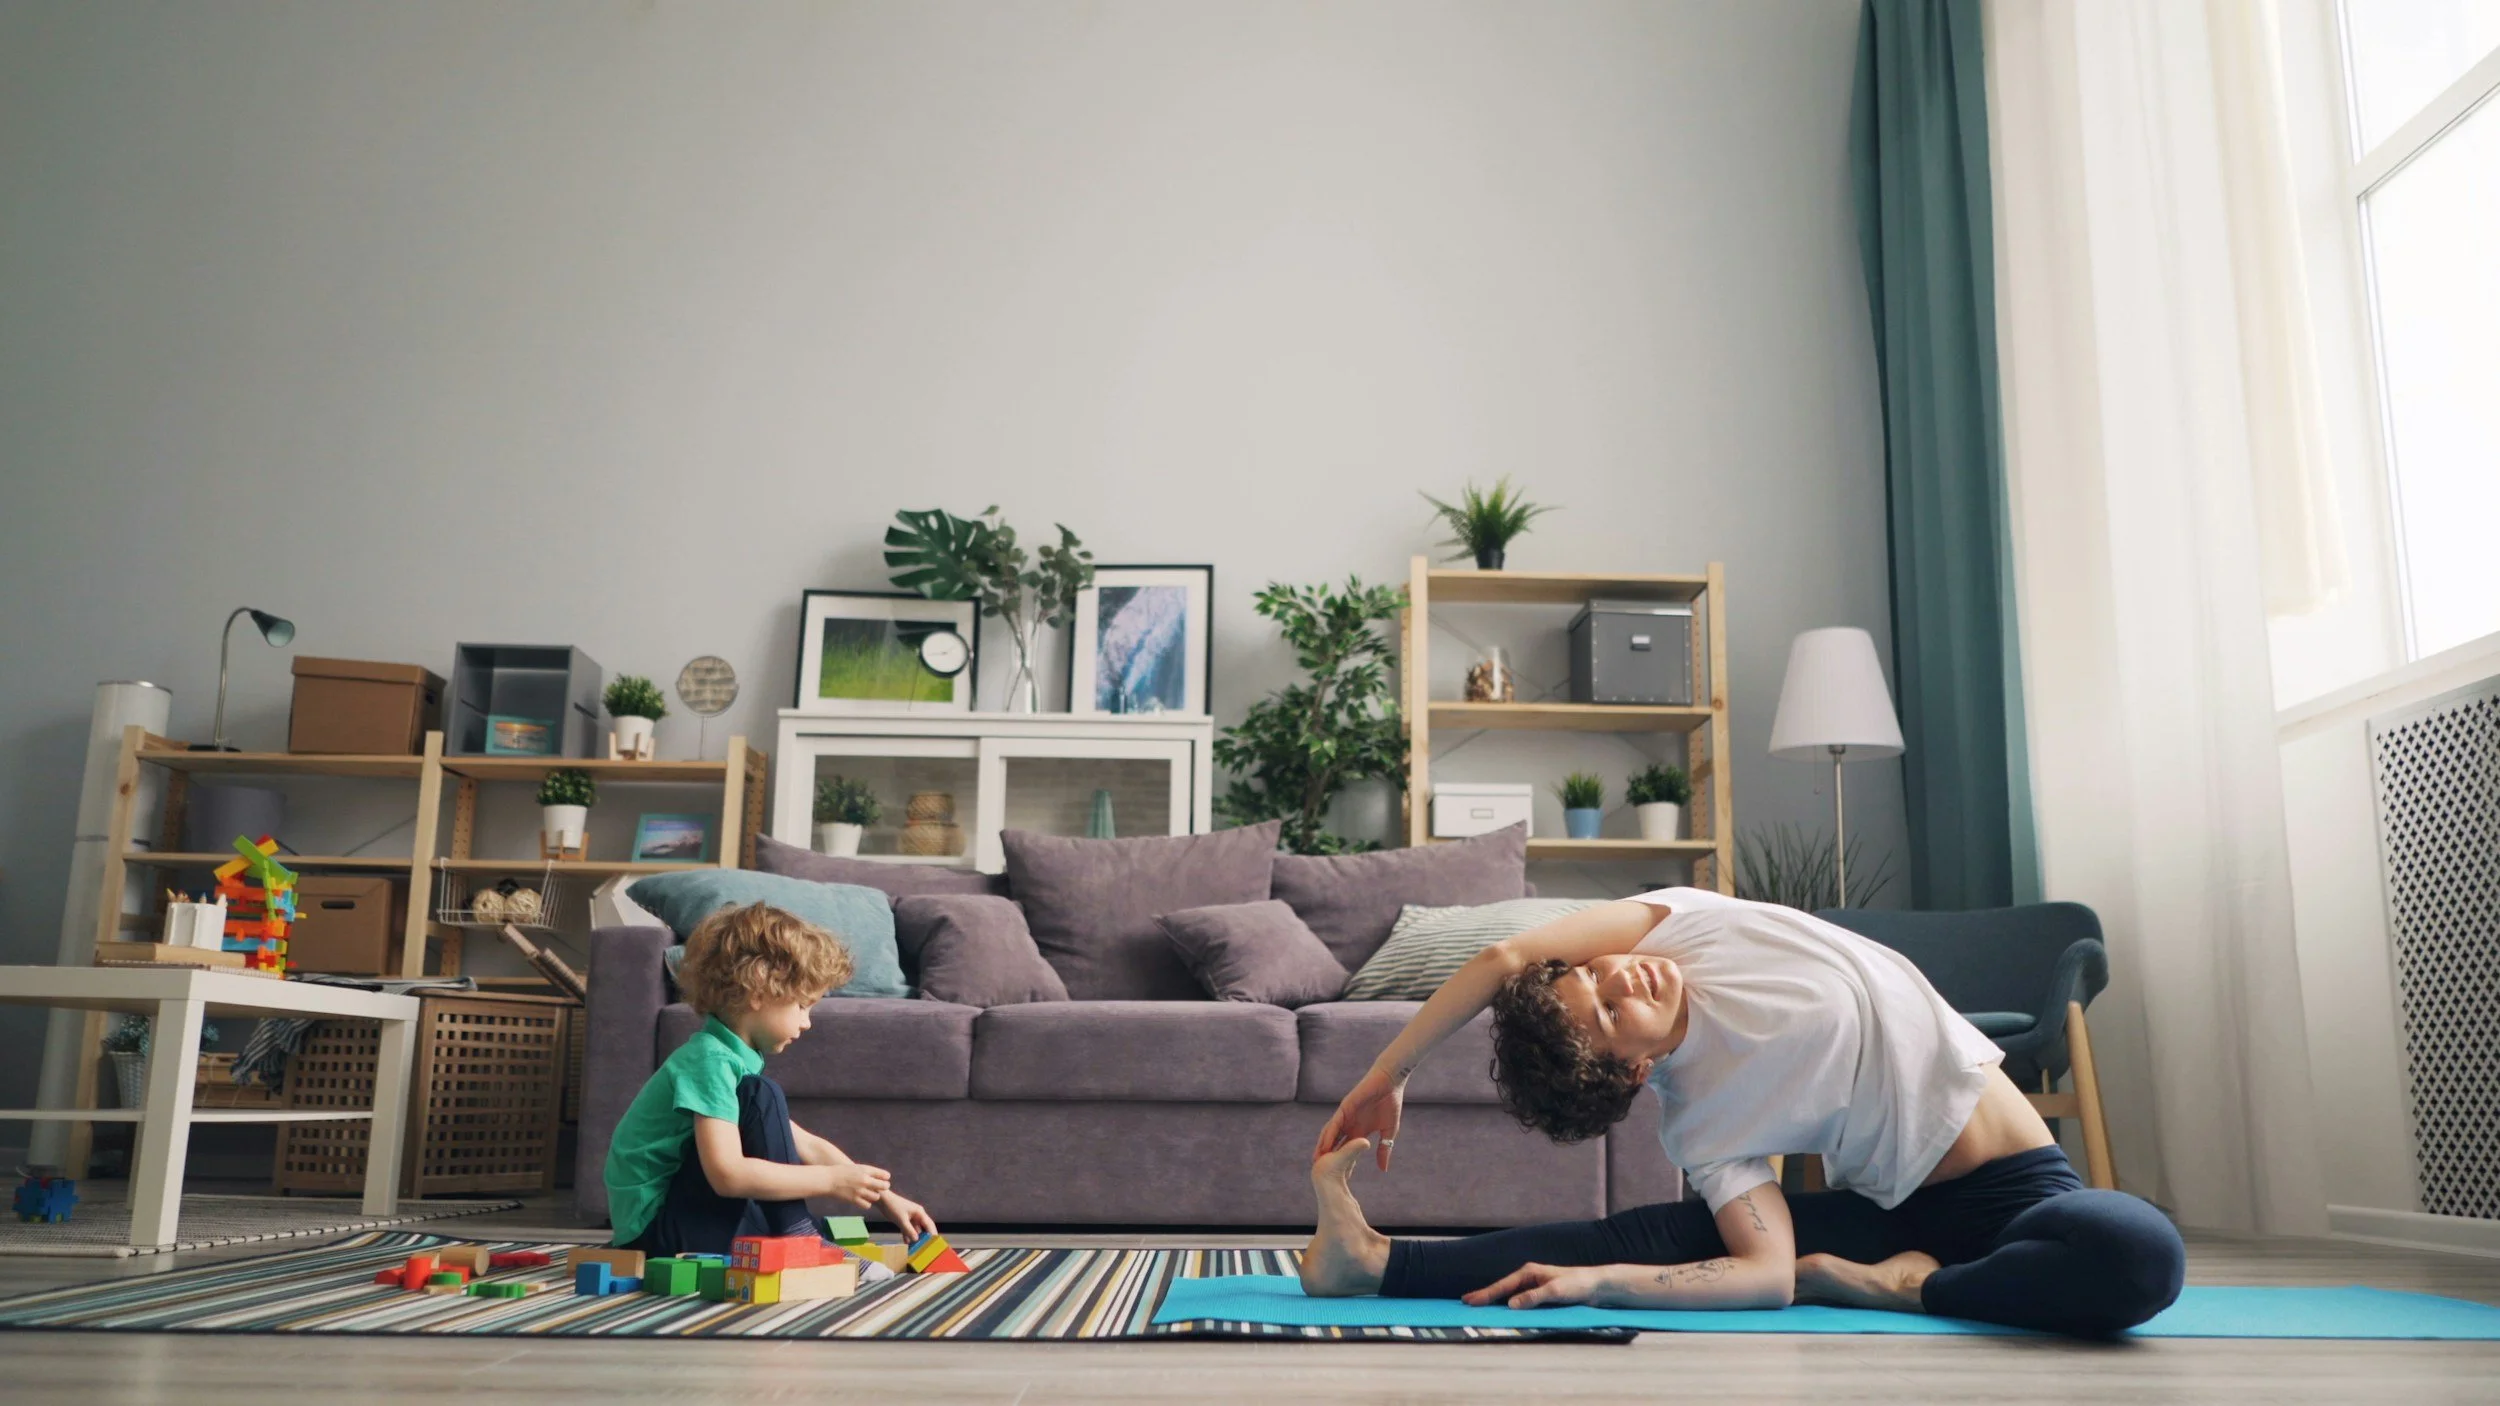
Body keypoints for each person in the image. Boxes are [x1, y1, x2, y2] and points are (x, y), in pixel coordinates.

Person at [1304, 887, 2184, 1335]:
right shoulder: (1704, 1121)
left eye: (1594, 975)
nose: (1621, 978)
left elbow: (1505, 953)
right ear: (1636, 1070)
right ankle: (1373, 1264)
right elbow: (1767, 1274)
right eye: (1611, 1015)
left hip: (2021, 1193)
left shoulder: (1685, 926)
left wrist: (1388, 1072)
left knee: (2138, 1252)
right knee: (1643, 1235)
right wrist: (1600, 1286)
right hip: (1896, 1212)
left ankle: (1913, 1291)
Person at [604, 902, 940, 1257]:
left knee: (763, 1112)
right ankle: (797, 1234)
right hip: (657, 1234)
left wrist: (887, 1199)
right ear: (759, 991)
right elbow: (727, 1175)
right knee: (761, 1094)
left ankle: (797, 1230)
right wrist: (831, 1182)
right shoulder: (709, 1062)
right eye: (802, 1005)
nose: (808, 1022)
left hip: (682, 1219)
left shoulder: (731, 1059)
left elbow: (808, 1145)